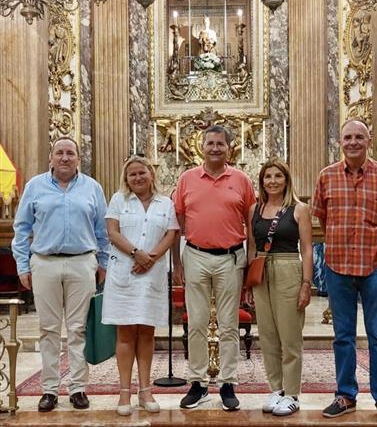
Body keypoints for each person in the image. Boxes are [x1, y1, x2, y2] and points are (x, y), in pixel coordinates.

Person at [312, 118, 377, 425]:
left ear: (369, 140)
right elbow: (321, 219)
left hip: (375, 264)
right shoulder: (326, 177)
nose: (353, 142)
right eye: (348, 137)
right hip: (337, 265)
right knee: (343, 335)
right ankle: (346, 394)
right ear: (340, 142)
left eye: (359, 137)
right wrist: (340, 240)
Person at [12, 137, 109, 412]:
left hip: (81, 263)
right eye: (59, 153)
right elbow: (21, 230)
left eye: (70, 153)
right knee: (48, 329)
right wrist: (22, 265)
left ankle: (78, 388)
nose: (65, 158)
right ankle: (49, 390)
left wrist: (103, 264)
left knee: (78, 329)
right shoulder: (35, 186)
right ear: (51, 157)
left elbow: (102, 231)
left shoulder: (92, 188)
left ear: (78, 158)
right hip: (45, 263)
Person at [173, 125, 256, 411]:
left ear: (229, 147)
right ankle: (197, 383)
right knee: (195, 321)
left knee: (229, 325)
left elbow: (251, 222)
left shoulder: (242, 180)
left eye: (220, 143)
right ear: (202, 146)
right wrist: (178, 261)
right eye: (210, 143)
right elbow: (177, 222)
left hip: (231, 257)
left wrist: (250, 260)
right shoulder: (187, 179)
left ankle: (228, 383)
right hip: (195, 255)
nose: (215, 148)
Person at [102, 155, 179, 416]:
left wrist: (151, 258)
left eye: (142, 173)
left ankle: (145, 390)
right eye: (132, 174)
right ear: (126, 178)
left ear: (151, 175)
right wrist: (137, 253)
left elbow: (171, 233)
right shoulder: (118, 200)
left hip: (152, 273)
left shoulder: (165, 203)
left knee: (146, 331)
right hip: (124, 271)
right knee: (125, 332)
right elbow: (112, 232)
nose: (138, 178)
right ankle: (124, 390)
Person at [246, 159, 313, 416]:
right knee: (268, 335)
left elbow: (306, 250)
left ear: (286, 180)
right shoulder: (254, 209)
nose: (272, 181)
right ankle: (276, 389)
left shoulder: (299, 209)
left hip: (288, 269)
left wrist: (306, 284)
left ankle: (292, 393)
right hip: (261, 271)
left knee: (290, 336)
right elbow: (252, 246)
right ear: (262, 181)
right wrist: (250, 283)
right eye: (267, 177)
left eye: (278, 176)